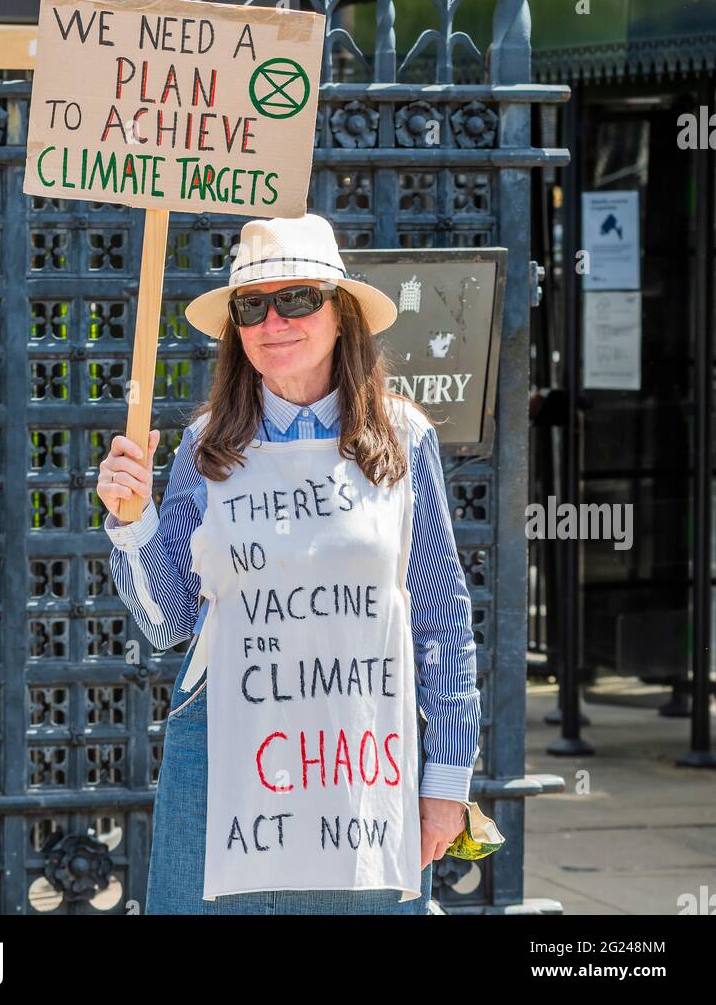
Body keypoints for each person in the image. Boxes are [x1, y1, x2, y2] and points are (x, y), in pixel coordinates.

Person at [98, 213, 481, 915]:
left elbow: (439, 617)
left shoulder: (403, 439)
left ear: (342, 316)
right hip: (226, 754)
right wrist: (134, 521)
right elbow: (168, 621)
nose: (274, 321)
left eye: (298, 298)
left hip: (361, 757)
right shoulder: (203, 447)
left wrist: (447, 780)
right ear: (236, 330)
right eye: (252, 305)